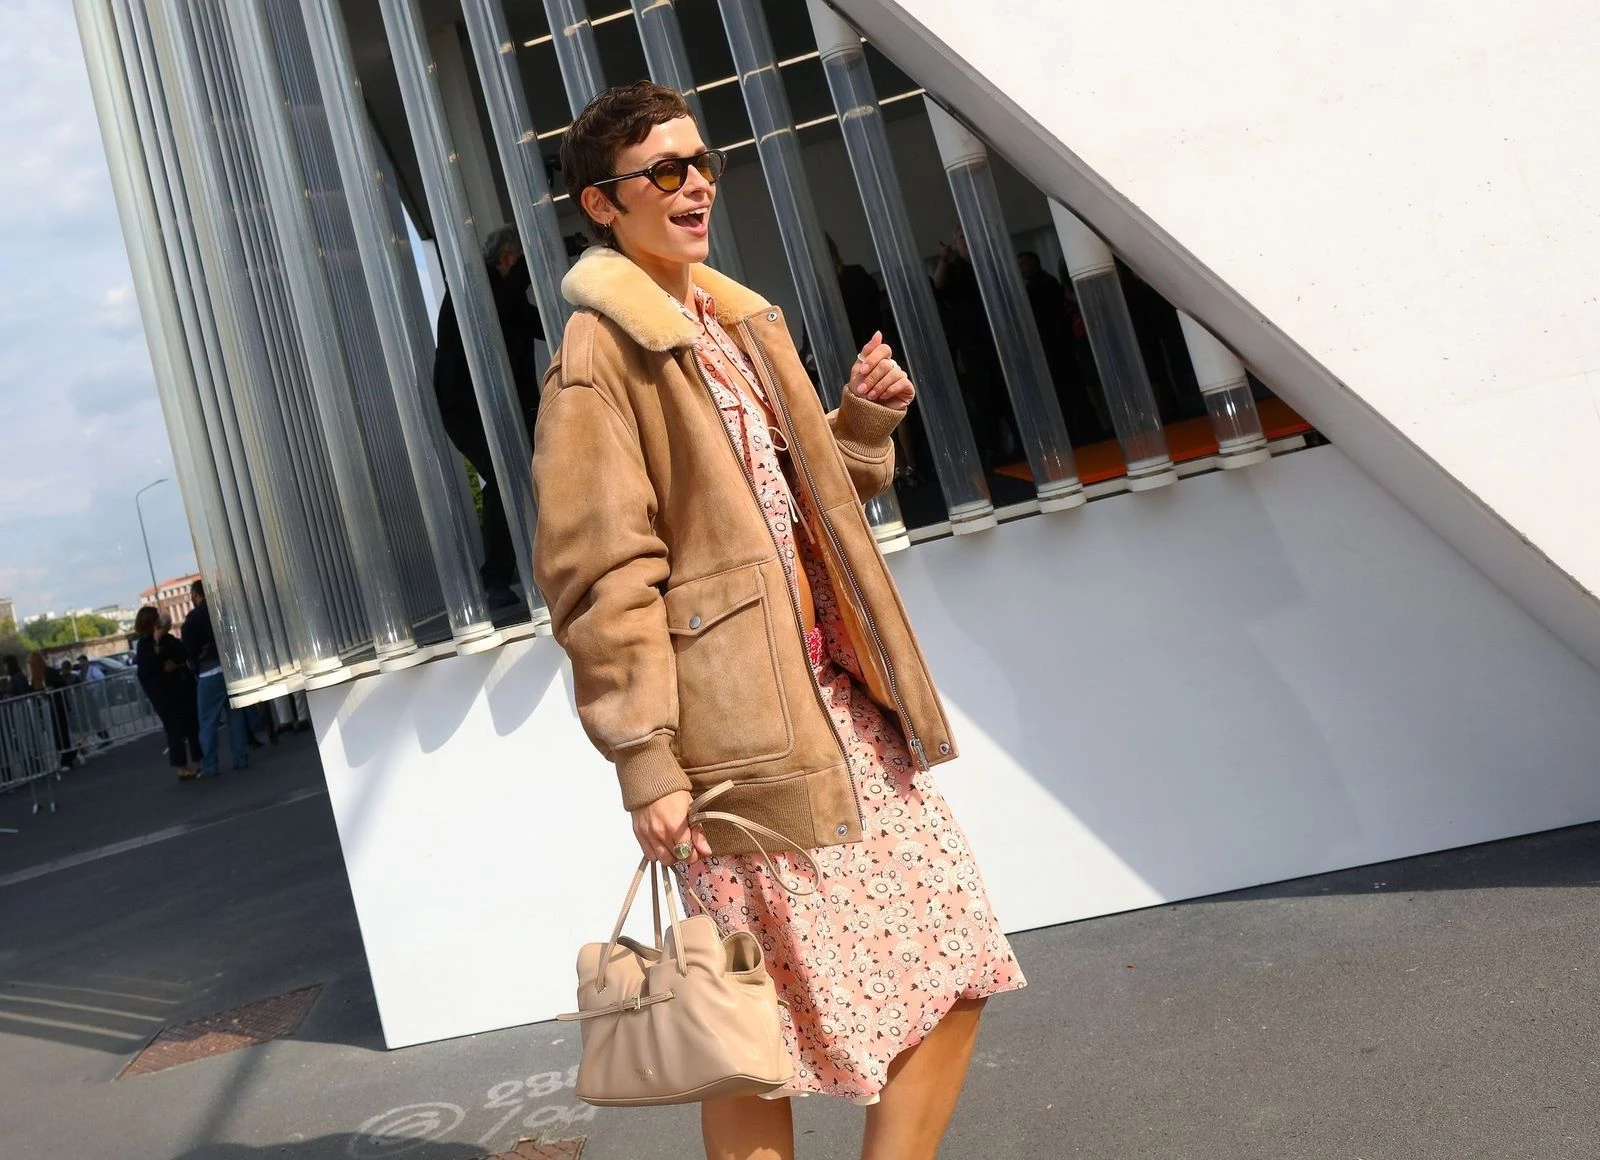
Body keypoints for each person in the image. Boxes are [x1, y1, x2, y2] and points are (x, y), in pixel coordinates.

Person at [536, 82, 1024, 1160]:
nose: (696, 184)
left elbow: (796, 511)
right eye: (664, 171)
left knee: (954, 966)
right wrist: (646, 759)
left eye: (701, 162)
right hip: (737, 743)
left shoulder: (734, 322)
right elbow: (597, 575)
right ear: (603, 205)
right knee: (748, 1032)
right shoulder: (600, 357)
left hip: (839, 708)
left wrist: (861, 426)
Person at [433, 223, 546, 611]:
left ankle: (510, 571)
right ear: (507, 258)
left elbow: (536, 322)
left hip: (498, 407)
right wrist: (531, 262)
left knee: (526, 477)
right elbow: (501, 304)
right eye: (521, 261)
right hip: (468, 409)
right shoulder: (473, 287)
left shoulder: (505, 297)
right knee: (504, 480)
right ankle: (495, 579)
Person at [932, 228, 1015, 466]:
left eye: (969, 236)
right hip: (973, 346)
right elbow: (939, 285)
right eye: (961, 238)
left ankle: (1018, 441)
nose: (966, 242)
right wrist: (944, 260)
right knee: (983, 397)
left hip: (1000, 340)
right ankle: (993, 448)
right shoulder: (956, 270)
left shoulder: (989, 264)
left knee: (1008, 393)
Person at [181, 579, 248, 777]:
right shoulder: (220, 613)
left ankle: (210, 765)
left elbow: (189, 649)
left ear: (195, 595)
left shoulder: (192, 619)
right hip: (229, 671)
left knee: (208, 722)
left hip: (208, 673)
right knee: (236, 717)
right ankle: (241, 757)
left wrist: (197, 659)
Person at [133, 606, 202, 781]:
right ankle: (182, 767)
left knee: (192, 725)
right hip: (165, 694)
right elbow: (151, 666)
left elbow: (182, 653)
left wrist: (174, 663)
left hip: (182, 688)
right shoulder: (144, 645)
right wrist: (157, 643)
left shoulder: (169, 639)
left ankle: (200, 759)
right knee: (175, 729)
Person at [28, 652, 79, 770]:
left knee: (61, 733)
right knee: (57, 735)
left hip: (58, 706)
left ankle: (67, 759)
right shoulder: (37, 676)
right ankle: (68, 756)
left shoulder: (49, 672)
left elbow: (61, 684)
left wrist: (51, 689)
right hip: (49, 709)